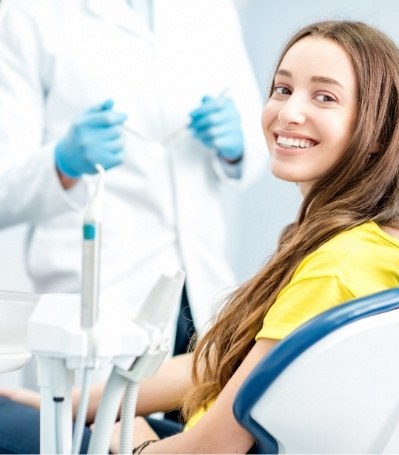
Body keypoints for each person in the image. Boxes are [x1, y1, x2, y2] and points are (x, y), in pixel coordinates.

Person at [0, 19, 399, 453]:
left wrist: (133, 444)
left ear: (377, 130)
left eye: (324, 96)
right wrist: (72, 404)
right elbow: (219, 364)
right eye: (282, 89)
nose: (289, 112)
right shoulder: (374, 241)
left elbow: (209, 449)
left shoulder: (337, 268)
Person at [0, 0, 267, 359]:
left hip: (202, 290)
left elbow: (258, 141)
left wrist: (238, 145)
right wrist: (63, 163)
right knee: (103, 413)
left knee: (197, 407)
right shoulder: (27, 13)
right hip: (99, 297)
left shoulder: (212, 9)